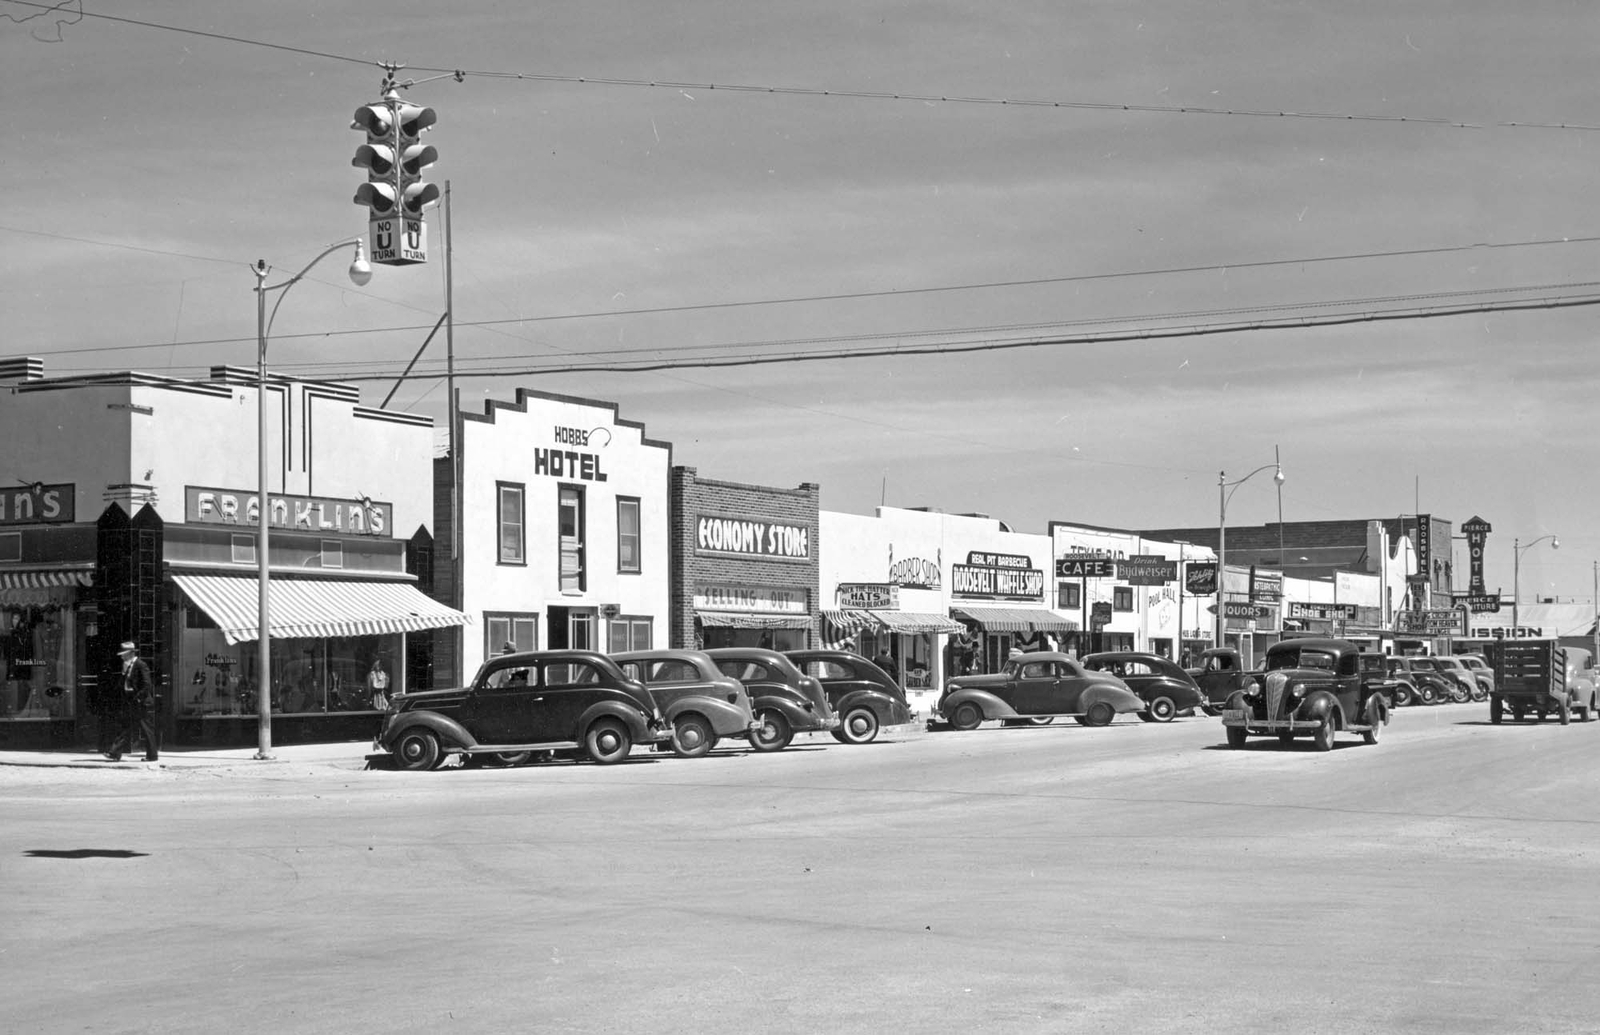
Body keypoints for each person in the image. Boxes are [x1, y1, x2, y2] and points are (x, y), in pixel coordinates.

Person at [106, 640, 157, 762]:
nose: (122, 656)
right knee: (125, 727)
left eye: (124, 654)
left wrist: (138, 698)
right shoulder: (128, 665)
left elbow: (147, 685)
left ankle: (152, 756)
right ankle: (114, 753)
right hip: (131, 701)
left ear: (130, 653)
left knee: (146, 728)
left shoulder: (140, 665)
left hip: (141, 702)